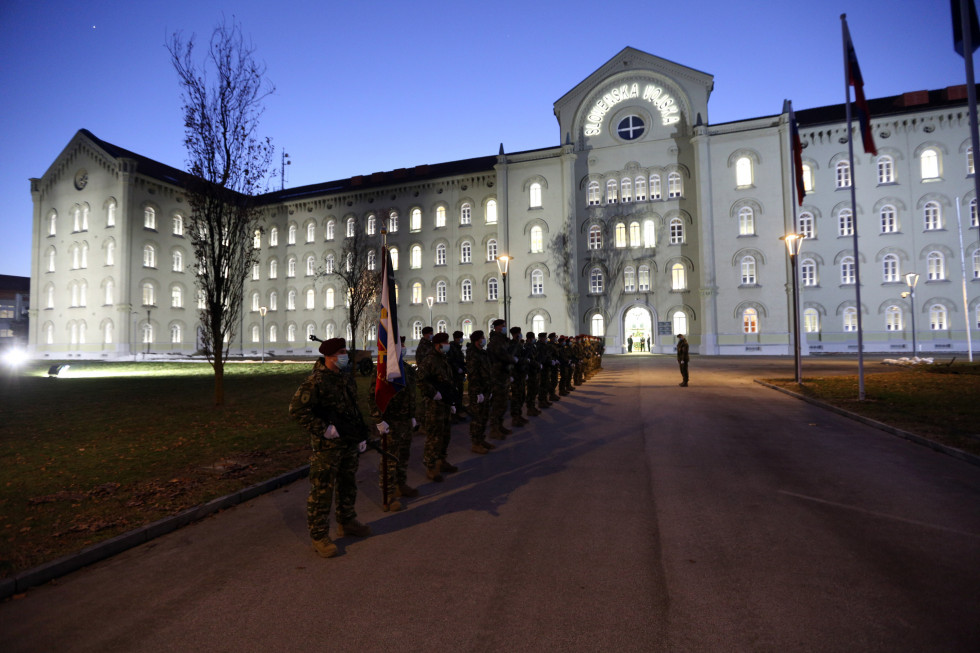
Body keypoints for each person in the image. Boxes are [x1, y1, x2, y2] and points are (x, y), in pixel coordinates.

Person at [289, 338, 372, 559]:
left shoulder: (345, 378)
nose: (346, 355)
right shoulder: (315, 381)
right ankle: (319, 536)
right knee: (322, 491)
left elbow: (353, 408)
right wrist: (324, 429)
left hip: (348, 442)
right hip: (327, 448)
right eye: (342, 352)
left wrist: (361, 435)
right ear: (330, 356)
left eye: (345, 351)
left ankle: (347, 521)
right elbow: (297, 410)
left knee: (348, 483)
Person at [378, 336, 418, 510]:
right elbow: (376, 396)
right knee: (390, 459)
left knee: (404, 455)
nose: (404, 347)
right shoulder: (384, 370)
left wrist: (412, 415)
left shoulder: (408, 370)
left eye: (403, 345)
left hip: (405, 420)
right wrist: (379, 419)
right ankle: (388, 494)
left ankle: (401, 485)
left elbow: (411, 395)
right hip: (392, 422)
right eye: (400, 345)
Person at [418, 332, 458, 481]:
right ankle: (431, 465)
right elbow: (421, 380)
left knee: (445, 434)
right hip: (434, 405)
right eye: (445, 342)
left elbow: (448, 381)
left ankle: (442, 460)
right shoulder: (429, 360)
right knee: (434, 436)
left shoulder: (443, 359)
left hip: (445, 402)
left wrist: (452, 401)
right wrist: (433, 393)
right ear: (438, 344)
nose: (447, 345)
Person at [465, 330, 495, 454]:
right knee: (477, 418)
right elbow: (473, 374)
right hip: (477, 391)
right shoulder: (473, 353)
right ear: (477, 340)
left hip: (486, 389)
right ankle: (475, 443)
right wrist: (478, 392)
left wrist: (489, 389)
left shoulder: (482, 352)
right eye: (482, 337)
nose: (484, 339)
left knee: (484, 416)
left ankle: (481, 440)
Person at [487, 318, 514, 438]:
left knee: (503, 403)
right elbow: (501, 354)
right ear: (497, 327)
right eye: (503, 325)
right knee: (498, 403)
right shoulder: (495, 340)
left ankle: (500, 426)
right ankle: (494, 429)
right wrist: (512, 359)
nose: (504, 327)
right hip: (497, 375)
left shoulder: (502, 339)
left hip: (503, 374)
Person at [509, 326, 529, 427]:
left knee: (521, 396)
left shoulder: (519, 344)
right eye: (519, 333)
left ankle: (519, 415)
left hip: (521, 374)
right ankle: (515, 418)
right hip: (515, 374)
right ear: (515, 334)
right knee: (516, 397)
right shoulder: (512, 345)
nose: (521, 334)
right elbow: (512, 360)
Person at [447, 330, 467, 421]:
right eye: (460, 338)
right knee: (454, 395)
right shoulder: (452, 347)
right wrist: (457, 368)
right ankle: (453, 415)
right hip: (454, 375)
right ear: (456, 338)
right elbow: (451, 360)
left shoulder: (457, 348)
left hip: (459, 375)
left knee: (459, 394)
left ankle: (458, 412)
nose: (461, 339)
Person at [524, 331, 542, 416]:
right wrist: (538, 364)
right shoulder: (527, 347)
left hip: (535, 371)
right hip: (531, 372)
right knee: (531, 391)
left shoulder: (532, 346)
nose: (535, 339)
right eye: (533, 338)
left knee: (534, 390)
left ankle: (532, 407)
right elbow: (529, 360)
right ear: (530, 339)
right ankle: (530, 409)